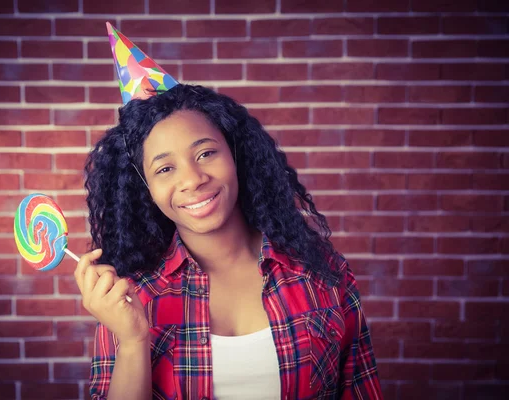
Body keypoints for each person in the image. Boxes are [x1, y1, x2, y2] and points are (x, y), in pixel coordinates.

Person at [74, 23, 383, 400]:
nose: (193, 179)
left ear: (235, 154)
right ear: (146, 188)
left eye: (205, 153)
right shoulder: (131, 295)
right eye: (165, 168)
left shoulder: (321, 272)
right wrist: (134, 339)